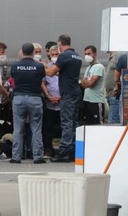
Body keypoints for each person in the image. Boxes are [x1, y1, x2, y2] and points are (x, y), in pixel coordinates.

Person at [45, 34, 82, 162]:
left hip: (67, 93)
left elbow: (51, 73)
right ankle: (73, 151)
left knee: (66, 122)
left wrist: (41, 67)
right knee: (74, 122)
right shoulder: (77, 56)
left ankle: (64, 152)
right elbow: (64, 72)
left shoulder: (64, 56)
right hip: (76, 92)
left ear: (60, 44)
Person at [9, 43, 46, 164]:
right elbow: (41, 79)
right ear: (33, 52)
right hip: (35, 98)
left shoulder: (15, 66)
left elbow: (14, 78)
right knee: (36, 127)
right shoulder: (39, 66)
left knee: (18, 128)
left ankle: (16, 157)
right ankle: (37, 157)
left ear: (22, 52)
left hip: (19, 98)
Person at [41, 45, 61, 157]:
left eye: (56, 55)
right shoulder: (46, 68)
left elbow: (67, 84)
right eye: (52, 54)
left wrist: (60, 97)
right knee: (47, 128)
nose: (54, 56)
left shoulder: (64, 68)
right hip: (49, 103)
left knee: (63, 127)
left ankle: (63, 150)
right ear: (49, 54)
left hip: (61, 103)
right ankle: (48, 149)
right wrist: (48, 96)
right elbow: (42, 82)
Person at [80, 45, 105, 125]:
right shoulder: (88, 68)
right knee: (88, 124)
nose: (87, 56)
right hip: (87, 100)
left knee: (97, 125)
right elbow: (82, 84)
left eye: (89, 53)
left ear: (95, 54)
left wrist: (87, 82)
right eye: (85, 54)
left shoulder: (99, 67)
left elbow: (91, 84)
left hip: (96, 101)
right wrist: (87, 82)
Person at [110, 53, 127, 124]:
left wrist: (117, 85)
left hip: (125, 90)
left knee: (122, 118)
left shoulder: (124, 57)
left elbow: (116, 77)